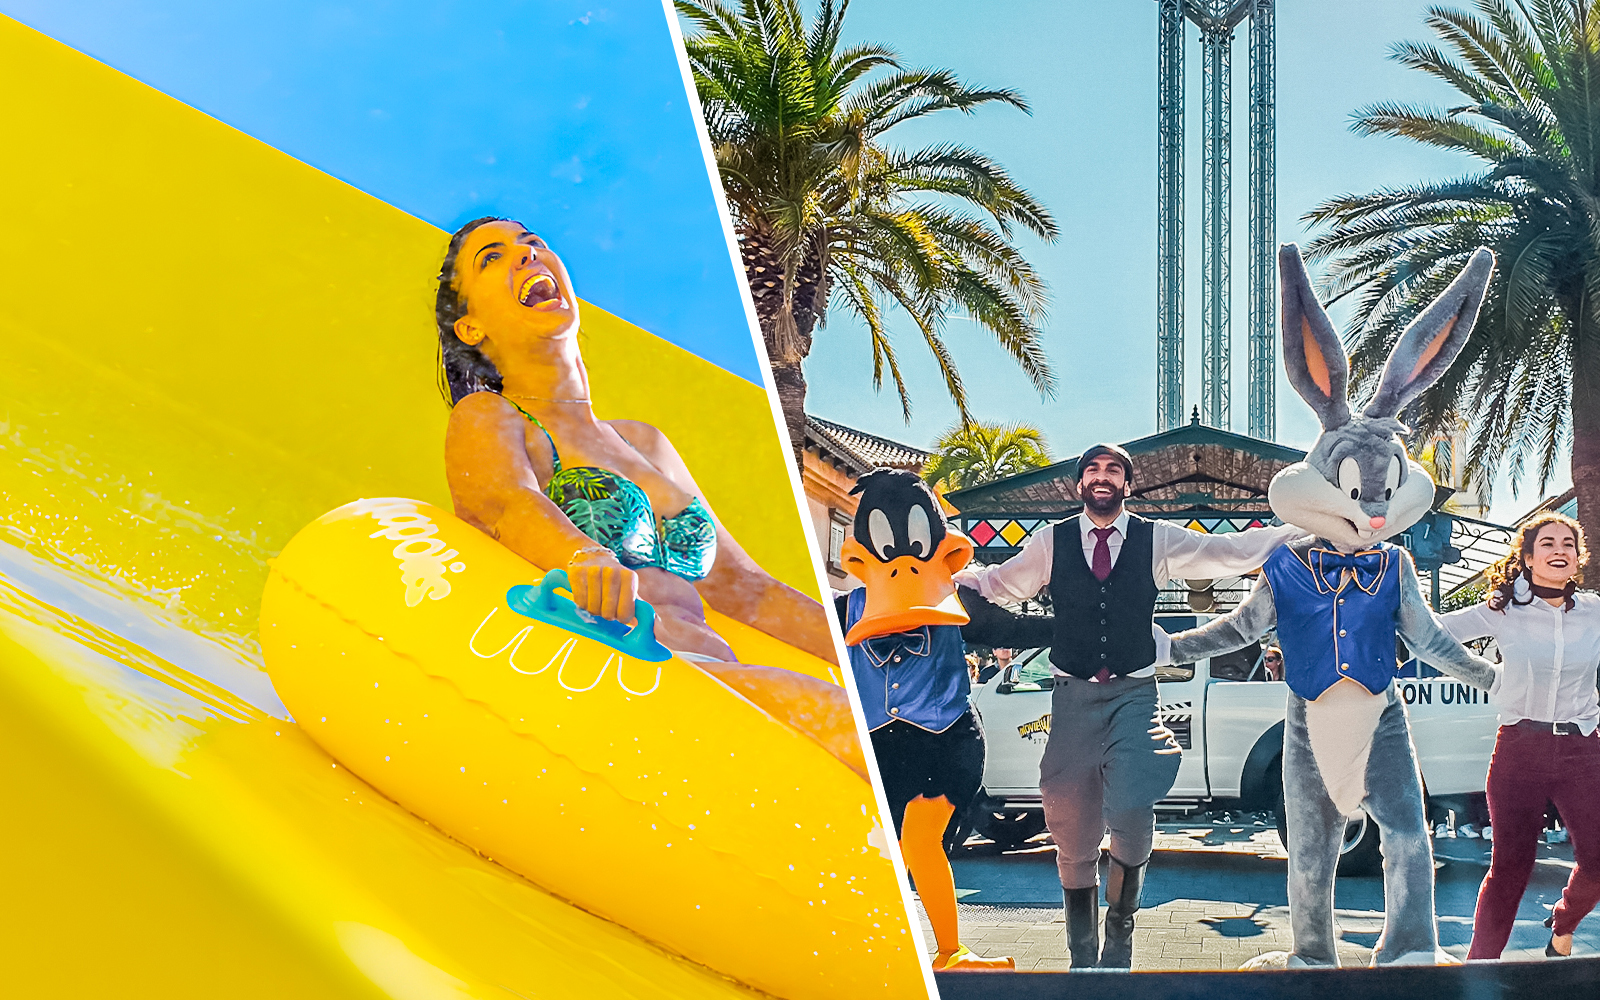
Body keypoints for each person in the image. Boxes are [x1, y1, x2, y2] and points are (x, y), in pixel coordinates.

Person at [437, 217, 858, 769]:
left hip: (709, 673)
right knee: (834, 718)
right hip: (611, 673)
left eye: (533, 242)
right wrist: (582, 555)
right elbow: (509, 505)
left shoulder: (646, 442)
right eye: (491, 258)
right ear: (470, 328)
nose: (526, 254)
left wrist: (853, 643)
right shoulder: (491, 417)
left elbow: (748, 591)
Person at [955, 443, 1302, 969]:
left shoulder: (1156, 537)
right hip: (1071, 700)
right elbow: (999, 585)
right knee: (1071, 828)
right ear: (1079, 484)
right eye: (1092, 469)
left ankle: (1120, 934)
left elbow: (1229, 551)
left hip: (1135, 696)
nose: (1102, 476)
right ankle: (1081, 954)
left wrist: (1304, 531)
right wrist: (949, 580)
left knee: (1133, 811)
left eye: (1113, 470)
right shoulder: (1050, 541)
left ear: (1127, 484)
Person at [835, 469, 1054, 972]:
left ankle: (949, 951)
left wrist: (1093, 629)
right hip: (878, 749)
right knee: (881, 847)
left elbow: (1013, 629)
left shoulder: (956, 600)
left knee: (918, 840)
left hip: (945, 743)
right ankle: (879, 949)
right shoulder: (844, 610)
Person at [1440, 512, 1600, 959]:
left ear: (1578, 557)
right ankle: (1478, 969)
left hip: (1583, 749)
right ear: (1528, 558)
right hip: (1519, 749)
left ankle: (1563, 923)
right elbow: (1433, 632)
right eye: (1547, 543)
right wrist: (1486, 677)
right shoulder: (1503, 610)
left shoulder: (1595, 611)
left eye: (1567, 544)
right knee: (1510, 868)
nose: (1559, 551)